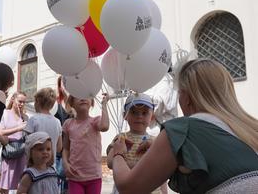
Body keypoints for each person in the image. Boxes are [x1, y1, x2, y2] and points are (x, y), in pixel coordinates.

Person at [112, 58, 258, 194]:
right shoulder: (250, 128)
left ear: (187, 97)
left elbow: (128, 187)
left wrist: (118, 154)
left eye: (179, 93)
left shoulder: (182, 129)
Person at [106, 93, 168, 194]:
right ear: (124, 116)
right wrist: (117, 150)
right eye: (134, 112)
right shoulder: (121, 138)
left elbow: (162, 172)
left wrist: (164, 191)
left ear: (152, 116)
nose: (139, 116)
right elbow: (109, 163)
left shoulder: (156, 141)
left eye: (144, 113)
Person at [62, 94, 110, 194]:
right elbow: (66, 148)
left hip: (94, 176)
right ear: (72, 103)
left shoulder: (95, 121)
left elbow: (105, 126)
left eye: (87, 95)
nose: (83, 97)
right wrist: (65, 164)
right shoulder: (68, 124)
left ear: (91, 102)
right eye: (78, 95)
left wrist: (104, 104)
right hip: (75, 176)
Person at [24, 87, 63, 167]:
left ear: (37, 101)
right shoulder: (57, 122)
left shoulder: (34, 119)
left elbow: (27, 144)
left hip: (35, 166)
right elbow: (59, 147)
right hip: (51, 166)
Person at [0, 91, 28, 194]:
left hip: (21, 154)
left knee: (21, 185)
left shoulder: (24, 117)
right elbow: (0, 131)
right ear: (13, 100)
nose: (22, 104)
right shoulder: (5, 113)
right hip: (9, 153)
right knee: (4, 186)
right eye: (20, 101)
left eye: (24, 102)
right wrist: (18, 128)